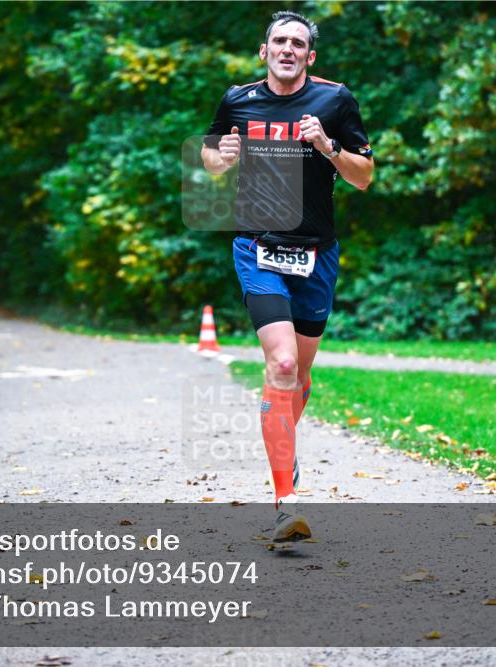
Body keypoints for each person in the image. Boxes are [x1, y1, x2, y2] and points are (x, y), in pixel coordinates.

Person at [201, 11, 373, 541]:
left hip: (316, 254)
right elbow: (210, 155)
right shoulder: (238, 100)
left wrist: (328, 147)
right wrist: (220, 158)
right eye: (280, 40)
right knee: (280, 363)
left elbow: (364, 177)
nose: (288, 49)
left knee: (298, 376)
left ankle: (282, 447)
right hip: (258, 247)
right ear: (264, 50)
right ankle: (286, 501)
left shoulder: (336, 100)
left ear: (310, 56)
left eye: (299, 43)